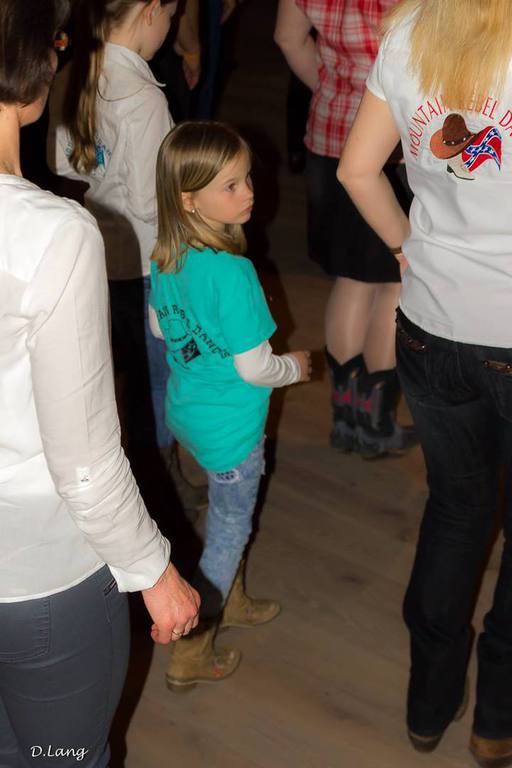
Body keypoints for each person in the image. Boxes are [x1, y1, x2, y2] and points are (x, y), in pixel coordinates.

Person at [0, 1, 199, 764]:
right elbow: (83, 461)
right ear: (30, 71)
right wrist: (153, 568)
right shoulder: (49, 235)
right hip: (37, 574)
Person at [337, 0, 512, 765]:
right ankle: (497, 720)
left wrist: (408, 247)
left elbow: (356, 169)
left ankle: (428, 704)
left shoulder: (410, 29)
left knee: (456, 508)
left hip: (431, 324)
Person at [149, 121, 312, 689]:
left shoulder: (166, 254)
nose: (249, 194)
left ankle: (231, 599)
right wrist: (296, 368)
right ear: (188, 199)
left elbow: (160, 328)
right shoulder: (234, 274)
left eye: (247, 179)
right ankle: (191, 649)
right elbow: (256, 368)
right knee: (227, 530)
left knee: (224, 518)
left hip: (187, 413)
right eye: (231, 186)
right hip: (232, 431)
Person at [47, 0, 206, 514]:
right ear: (151, 11)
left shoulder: (71, 74)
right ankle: (161, 484)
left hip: (97, 253)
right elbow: (149, 201)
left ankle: (135, 472)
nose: (170, 29)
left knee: (116, 371)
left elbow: (60, 161)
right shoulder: (143, 97)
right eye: (172, 17)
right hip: (147, 265)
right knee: (158, 380)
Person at [274, 0, 416, 459]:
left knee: (351, 280)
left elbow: (287, 38)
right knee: (394, 284)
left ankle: (345, 418)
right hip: (391, 148)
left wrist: (331, 86)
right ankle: (374, 423)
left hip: (330, 135)